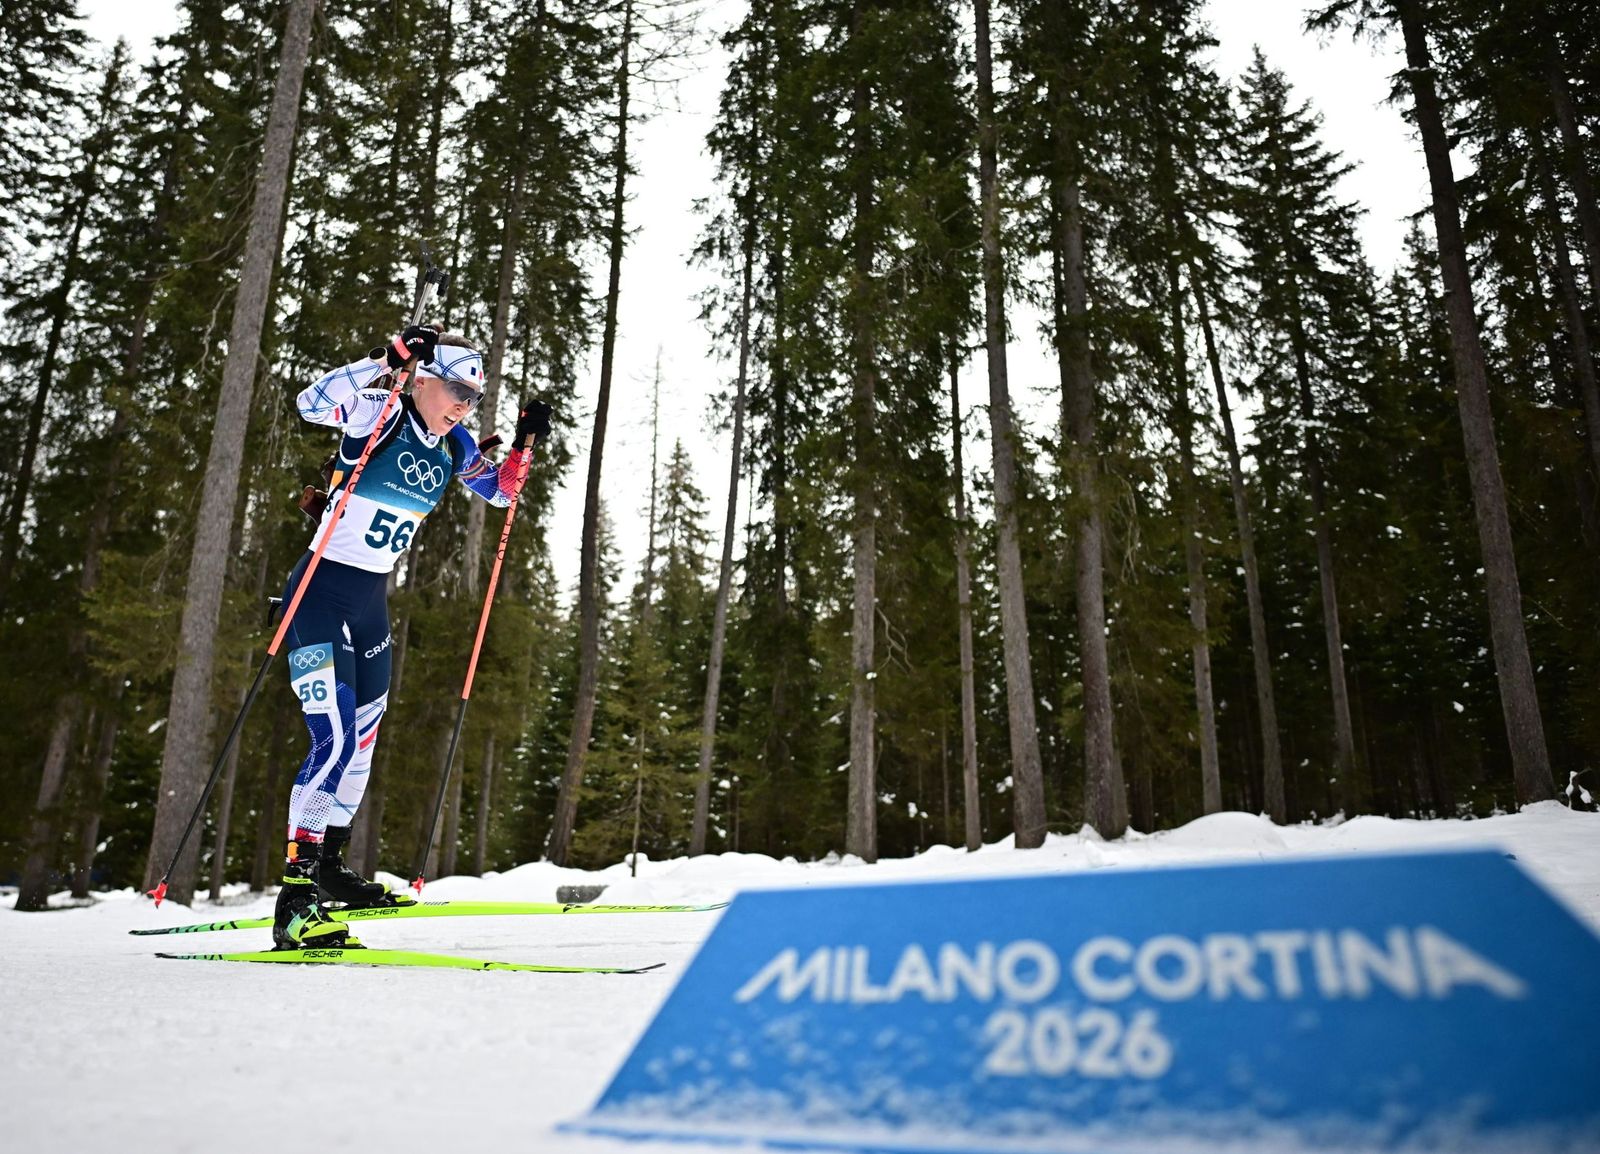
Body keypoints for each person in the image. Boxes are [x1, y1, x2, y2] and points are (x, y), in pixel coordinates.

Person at [273, 324, 551, 949]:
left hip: (370, 605)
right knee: (332, 741)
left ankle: (329, 869)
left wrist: (525, 444)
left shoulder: (454, 444)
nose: (464, 406)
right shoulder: (380, 410)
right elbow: (310, 403)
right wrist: (386, 357)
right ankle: (294, 900)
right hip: (319, 595)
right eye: (456, 391)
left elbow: (501, 492)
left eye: (474, 397)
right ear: (424, 379)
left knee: (361, 744)